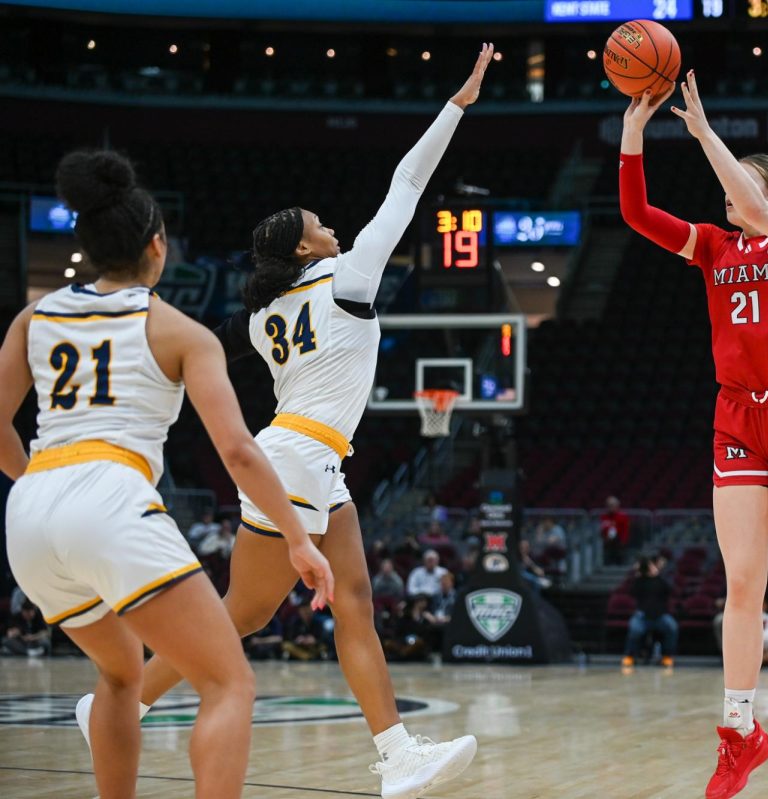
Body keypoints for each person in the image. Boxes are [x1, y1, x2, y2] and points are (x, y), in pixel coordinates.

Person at [82, 48, 494, 799]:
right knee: (247, 610)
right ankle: (118, 701)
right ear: (306, 247)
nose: (335, 227)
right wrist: (457, 105)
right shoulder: (349, 277)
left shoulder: (267, 310)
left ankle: (395, 753)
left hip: (309, 459)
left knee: (333, 602)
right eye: (321, 224)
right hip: (300, 455)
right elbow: (408, 182)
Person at [4, 149, 333, 798]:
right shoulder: (179, 330)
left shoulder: (32, 317)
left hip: (30, 508)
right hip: (109, 496)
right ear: (158, 246)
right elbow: (238, 450)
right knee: (228, 681)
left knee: (122, 672)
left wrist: (38, 486)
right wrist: (297, 538)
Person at [620, 73, 768, 799]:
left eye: (744, 182)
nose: (729, 193)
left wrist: (700, 132)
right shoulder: (713, 247)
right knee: (742, 585)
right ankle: (740, 734)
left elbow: (753, 202)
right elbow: (635, 211)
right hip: (738, 417)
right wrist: (636, 126)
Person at [621, 556, 678, 669]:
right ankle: (629, 656)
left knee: (672, 627)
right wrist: (637, 574)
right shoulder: (639, 580)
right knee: (635, 629)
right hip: (642, 616)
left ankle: (667, 656)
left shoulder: (661, 580)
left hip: (660, 616)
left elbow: (669, 590)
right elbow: (632, 591)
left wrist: (657, 574)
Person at [599, 495, 631, 565]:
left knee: (619, 560)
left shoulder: (623, 517)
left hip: (619, 543)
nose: (610, 507)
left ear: (617, 506)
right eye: (608, 505)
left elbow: (625, 531)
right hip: (607, 543)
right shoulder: (603, 517)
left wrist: (623, 541)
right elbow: (602, 529)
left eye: (612, 505)